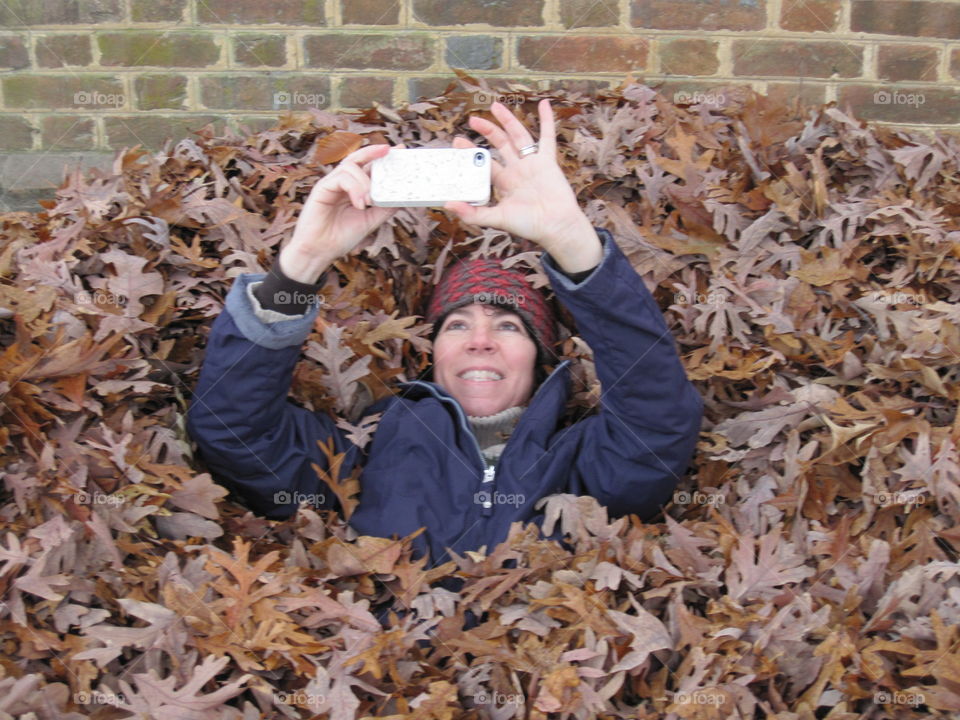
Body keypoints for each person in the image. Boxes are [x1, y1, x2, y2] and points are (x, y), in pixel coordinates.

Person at [186, 99, 703, 575]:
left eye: (508, 325)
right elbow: (234, 429)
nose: (480, 340)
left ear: (539, 357)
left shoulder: (588, 465)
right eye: (457, 324)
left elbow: (658, 413)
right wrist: (303, 262)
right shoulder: (361, 455)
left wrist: (572, 240)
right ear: (432, 354)